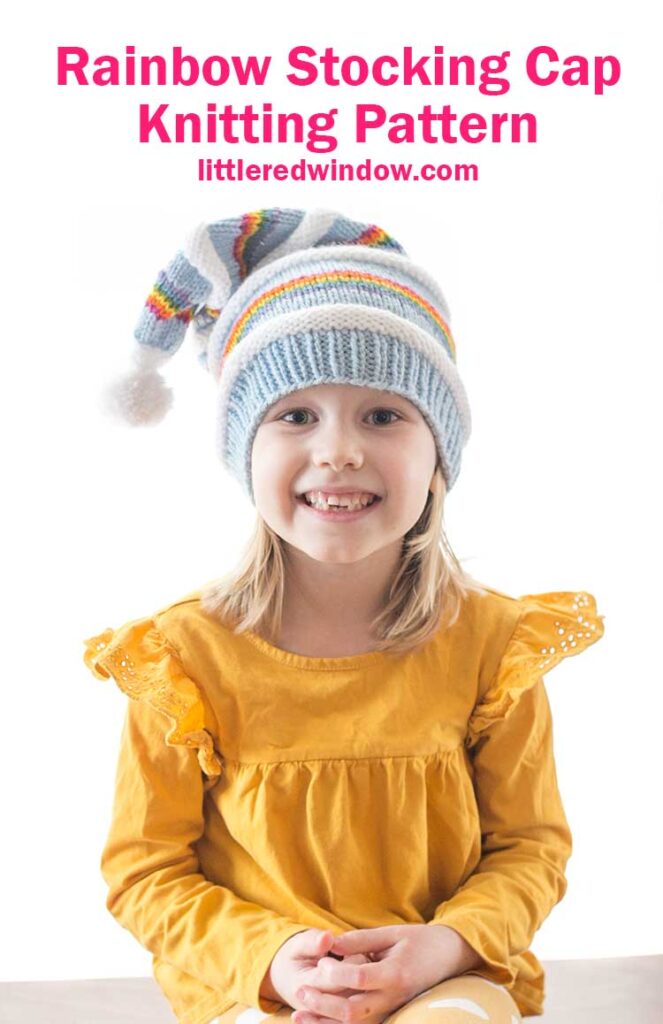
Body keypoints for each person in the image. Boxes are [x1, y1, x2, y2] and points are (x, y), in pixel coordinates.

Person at [83, 207, 605, 1024]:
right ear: (243, 451)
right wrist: (278, 962)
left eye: (383, 415)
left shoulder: (491, 645)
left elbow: (529, 848)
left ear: (438, 453)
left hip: (446, 979)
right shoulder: (182, 655)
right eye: (294, 416)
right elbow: (146, 870)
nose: (338, 451)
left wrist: (446, 944)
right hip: (259, 986)